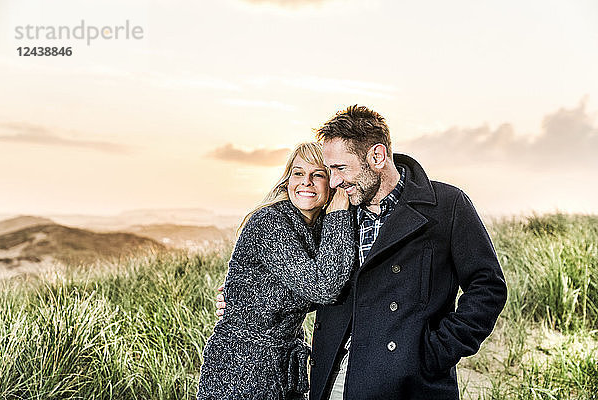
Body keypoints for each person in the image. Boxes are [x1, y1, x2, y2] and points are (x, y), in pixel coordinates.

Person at [217, 106, 508, 399]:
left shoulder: (446, 205)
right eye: (329, 171)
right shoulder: (335, 212)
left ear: (377, 157)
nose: (333, 182)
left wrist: (435, 353)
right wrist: (246, 302)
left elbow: (487, 287)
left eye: (341, 169)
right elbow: (311, 279)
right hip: (333, 375)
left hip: (408, 382)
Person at [197, 142, 356, 400]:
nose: (306, 182)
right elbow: (324, 287)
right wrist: (339, 212)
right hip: (240, 369)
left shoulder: (318, 229)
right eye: (298, 173)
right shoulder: (270, 223)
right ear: (287, 181)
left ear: (332, 183)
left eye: (318, 174)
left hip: (283, 368)